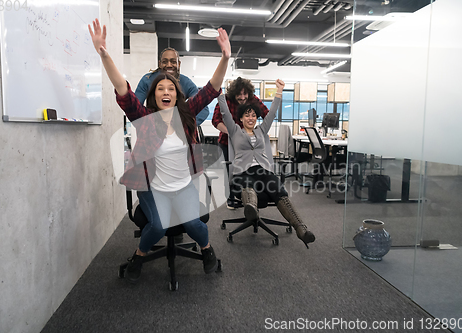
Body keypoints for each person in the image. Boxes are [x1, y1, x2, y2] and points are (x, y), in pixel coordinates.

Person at [88, 19, 231, 282]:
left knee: (194, 225)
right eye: (160, 89)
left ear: (177, 95)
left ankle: (207, 249)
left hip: (183, 186)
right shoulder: (144, 119)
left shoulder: (186, 115)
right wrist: (105, 55)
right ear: (154, 96)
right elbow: (124, 91)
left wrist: (225, 58)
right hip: (153, 188)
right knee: (156, 224)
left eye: (171, 89)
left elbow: (211, 90)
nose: (166, 92)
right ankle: (139, 256)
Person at [217, 79, 316, 249]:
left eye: (253, 115)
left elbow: (271, 113)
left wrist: (279, 91)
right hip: (243, 171)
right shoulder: (235, 131)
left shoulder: (262, 130)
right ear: (240, 118)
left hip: (262, 170)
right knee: (248, 184)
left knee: (278, 189)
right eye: (247, 115)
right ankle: (251, 210)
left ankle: (301, 228)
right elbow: (225, 113)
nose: (251, 118)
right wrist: (219, 94)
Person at [211, 77, 269, 209]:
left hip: (248, 145)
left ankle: (249, 198)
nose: (242, 97)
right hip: (226, 141)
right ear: (233, 93)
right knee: (229, 171)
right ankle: (230, 198)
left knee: (248, 170)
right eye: (239, 94)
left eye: (245, 94)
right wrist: (232, 133)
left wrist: (258, 132)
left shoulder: (253, 100)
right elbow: (215, 120)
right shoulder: (225, 100)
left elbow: (267, 114)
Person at [135, 47, 209, 126]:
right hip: (153, 130)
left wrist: (187, 127)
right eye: (165, 61)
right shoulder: (147, 80)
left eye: (173, 61)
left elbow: (204, 109)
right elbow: (135, 107)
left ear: (179, 64)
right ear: (160, 64)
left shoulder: (186, 83)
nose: (169, 65)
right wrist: (146, 127)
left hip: (177, 131)